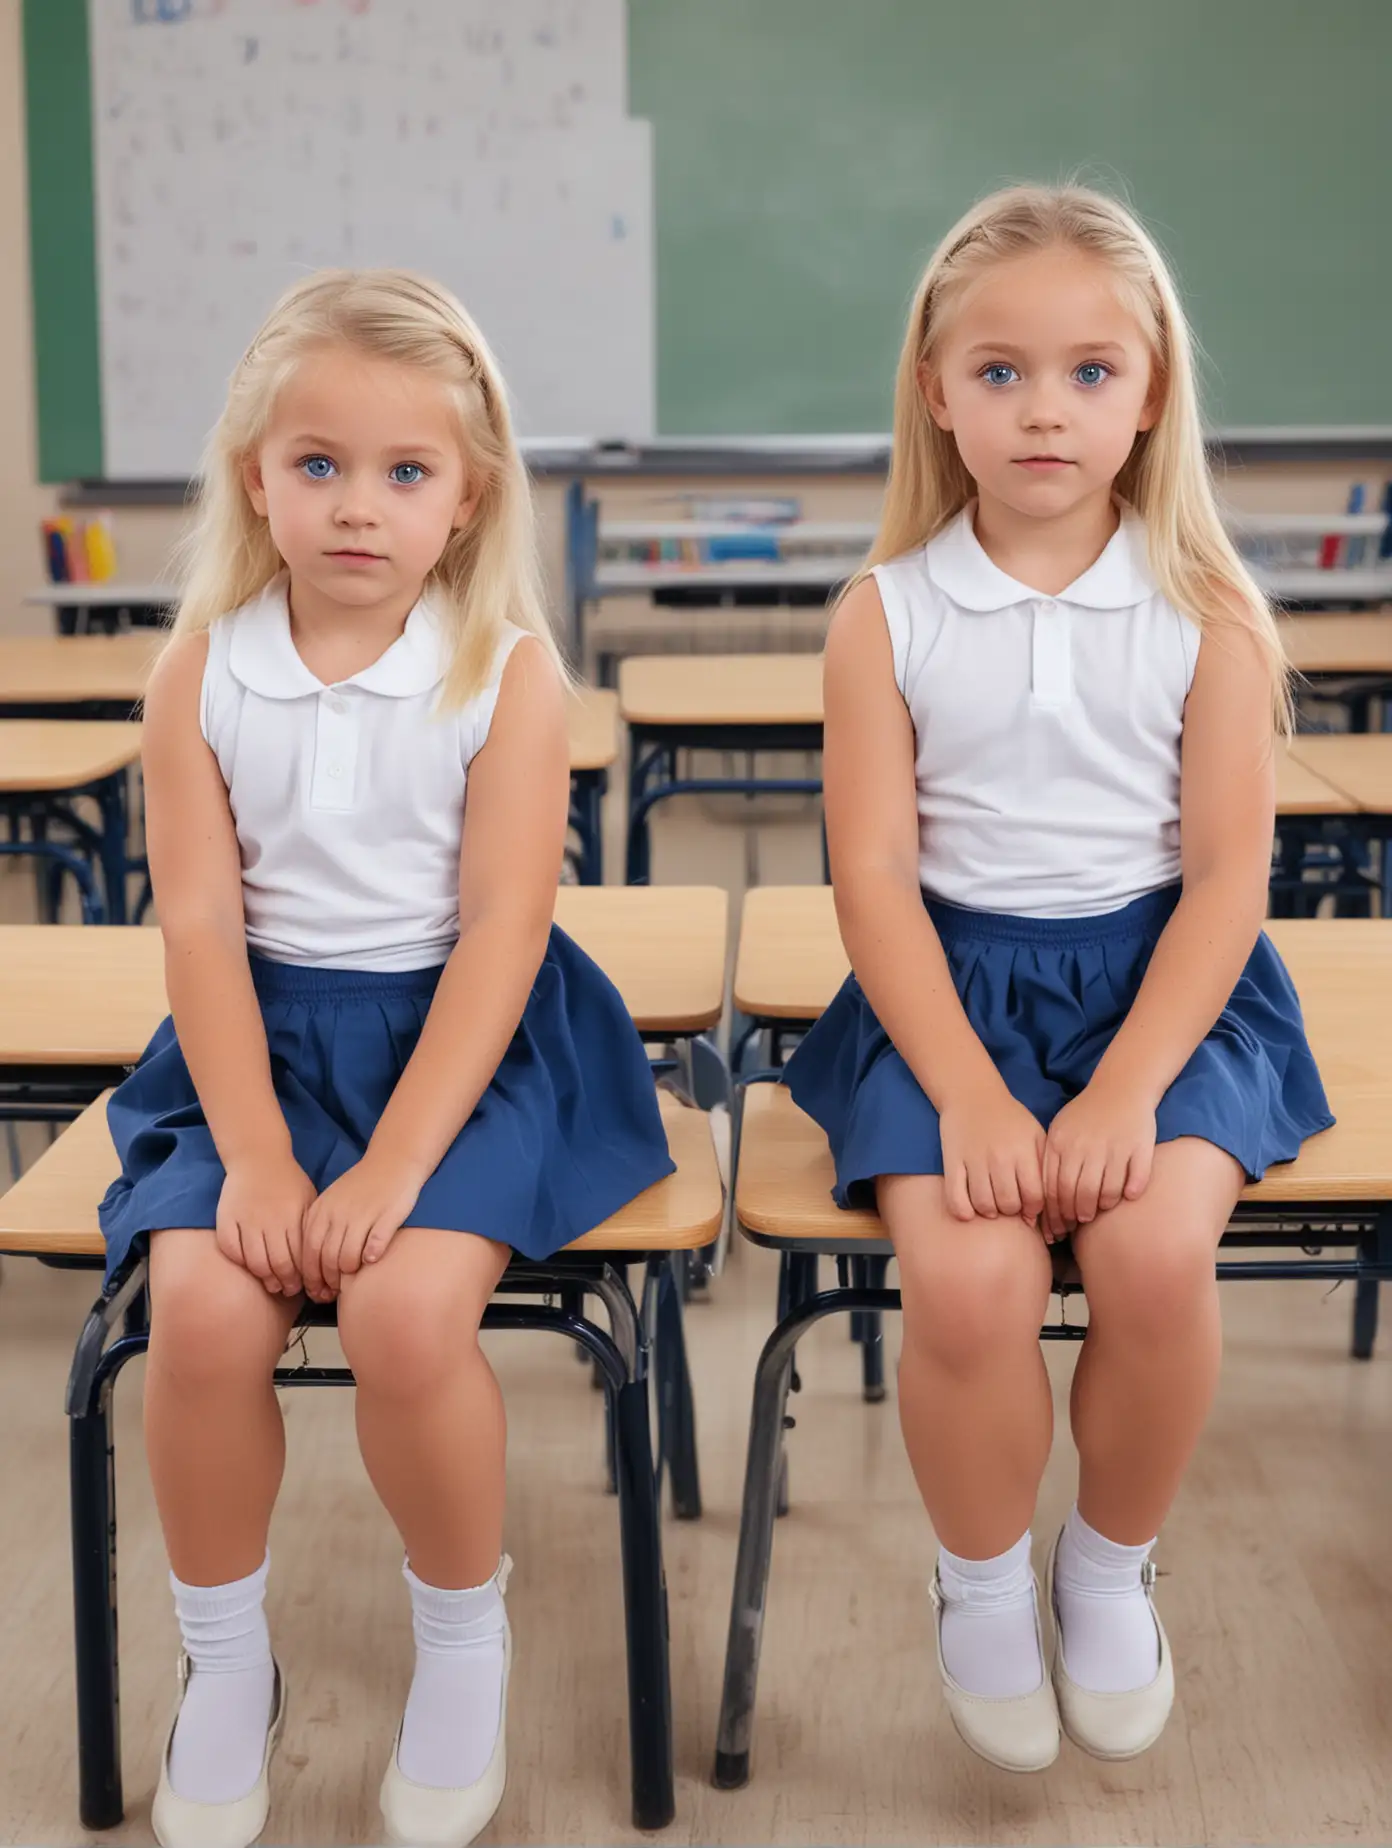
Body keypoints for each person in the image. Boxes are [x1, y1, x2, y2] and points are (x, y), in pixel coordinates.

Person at [98, 268, 674, 1848]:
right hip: (258, 1054)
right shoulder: (199, 674)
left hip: (466, 1051)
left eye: (407, 473)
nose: (361, 507)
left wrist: (399, 1166)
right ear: (256, 481)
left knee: (412, 1311)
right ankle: (224, 1666)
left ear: (468, 498)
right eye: (321, 466)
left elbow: (500, 932)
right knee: (208, 1307)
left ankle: (459, 1641)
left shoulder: (508, 675)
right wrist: (271, 1160)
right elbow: (204, 933)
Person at [785, 184, 1332, 1774]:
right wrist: (965, 1085)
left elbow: (1232, 877)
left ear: (1151, 394)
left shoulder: (1207, 608)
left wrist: (1124, 1088)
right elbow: (874, 876)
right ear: (937, 393)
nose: (1046, 408)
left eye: (1093, 371)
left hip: (1165, 998)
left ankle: (1103, 1567)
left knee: (1155, 1262)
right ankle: (976, 1586)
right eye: (1003, 370)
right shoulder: (882, 613)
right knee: (968, 1279)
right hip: (946, 999)